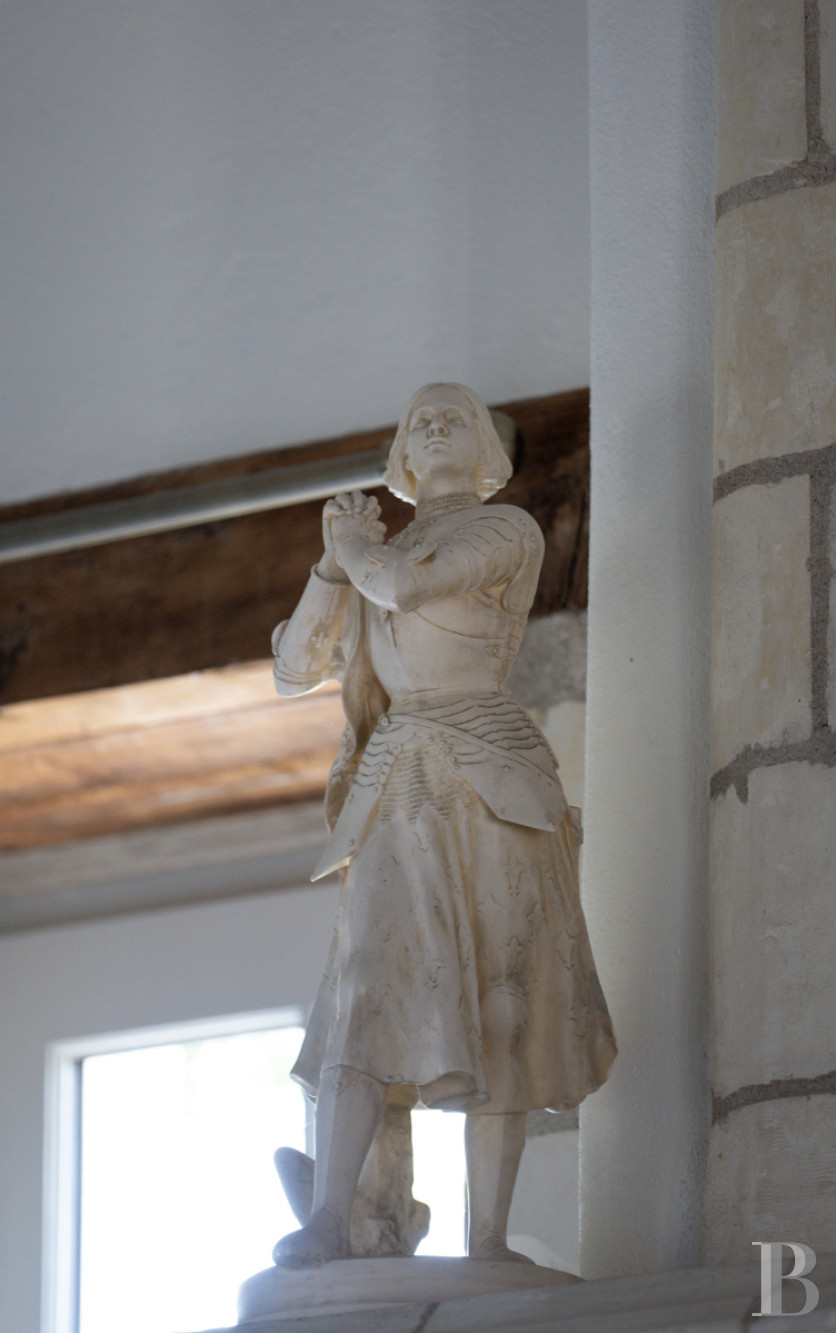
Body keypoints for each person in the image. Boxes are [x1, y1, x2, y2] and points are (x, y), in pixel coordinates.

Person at [271, 383, 615, 1268]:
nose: (432, 425)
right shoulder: (367, 554)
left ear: (487, 453)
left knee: (505, 997)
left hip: (493, 778)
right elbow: (293, 667)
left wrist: (355, 548)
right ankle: (332, 1220)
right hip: (398, 784)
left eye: (452, 417)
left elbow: (405, 584)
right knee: (365, 988)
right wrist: (328, 566)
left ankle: (489, 1239)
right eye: (418, 421)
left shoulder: (505, 530)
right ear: (400, 458)